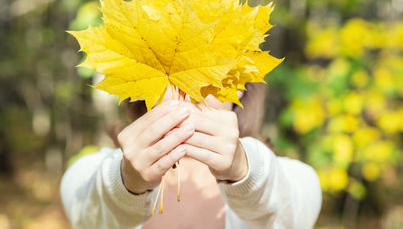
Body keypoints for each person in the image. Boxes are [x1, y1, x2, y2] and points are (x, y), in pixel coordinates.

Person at [60, 83, 322, 229]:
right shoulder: (84, 175)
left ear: (242, 85)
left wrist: (243, 170)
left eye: (212, 66)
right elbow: (92, 212)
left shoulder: (299, 181)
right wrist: (126, 182)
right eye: (170, 69)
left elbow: (285, 211)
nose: (190, 87)